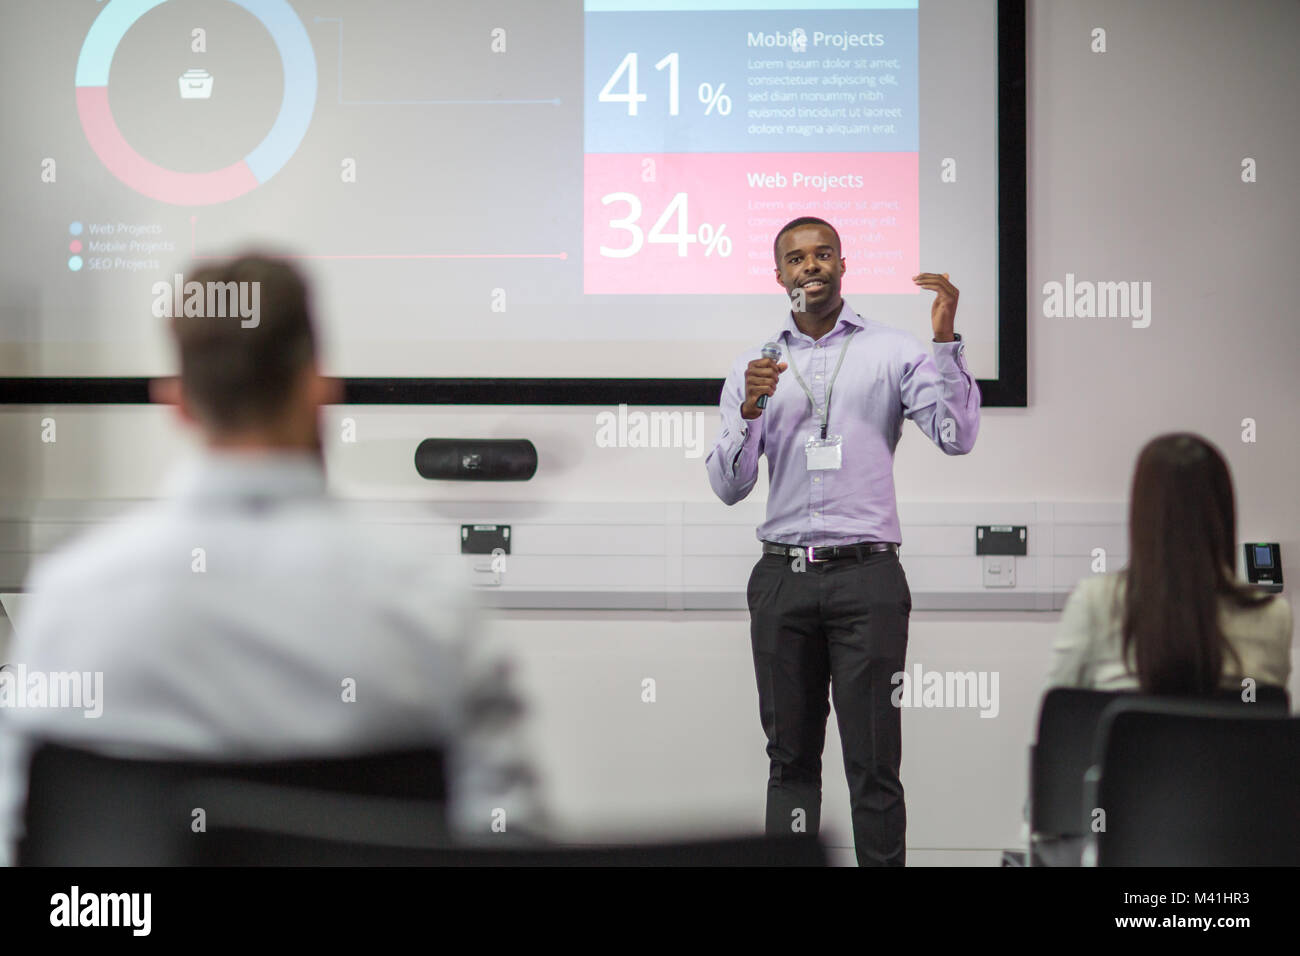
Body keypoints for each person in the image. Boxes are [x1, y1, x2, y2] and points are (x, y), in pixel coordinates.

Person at [0, 255, 542, 865]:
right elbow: (506, 841)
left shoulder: (69, 600)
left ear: (176, 402)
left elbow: (21, 837)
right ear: (317, 387)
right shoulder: (430, 603)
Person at [706, 217, 981, 866]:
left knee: (875, 762)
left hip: (868, 580)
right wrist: (748, 412)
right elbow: (728, 485)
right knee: (791, 764)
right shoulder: (758, 369)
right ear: (780, 275)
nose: (811, 267)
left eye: (823, 254)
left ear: (842, 264)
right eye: (796, 259)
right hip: (782, 580)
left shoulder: (893, 351)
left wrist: (945, 340)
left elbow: (956, 435)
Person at [1048, 433, 1291, 694]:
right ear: (1224, 513)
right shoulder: (1272, 615)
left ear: (1142, 515)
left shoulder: (1095, 603)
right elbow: (1265, 729)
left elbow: (1060, 724)